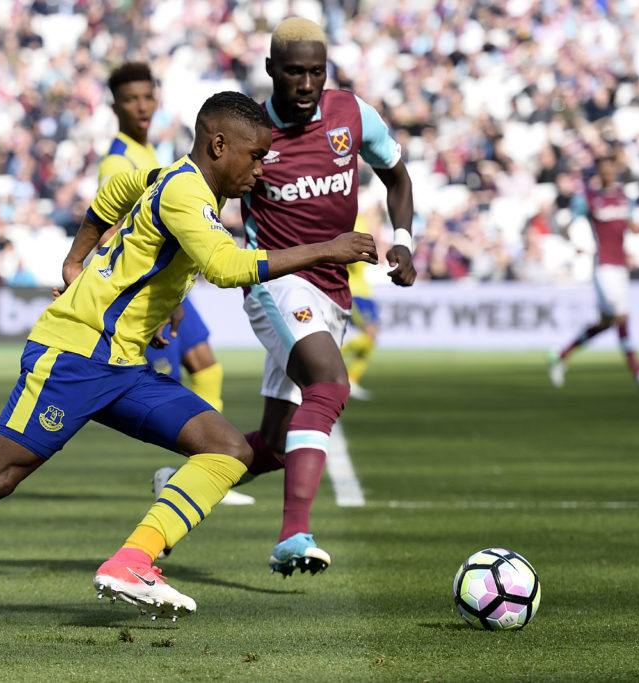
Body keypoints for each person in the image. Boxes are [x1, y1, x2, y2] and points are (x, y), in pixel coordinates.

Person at [0, 91, 379, 631]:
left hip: (122, 365)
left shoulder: (164, 179)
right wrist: (327, 249)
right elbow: (228, 267)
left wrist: (79, 262)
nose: (261, 170)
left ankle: (133, 559)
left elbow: (109, 200)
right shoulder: (185, 194)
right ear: (219, 147)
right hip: (74, 355)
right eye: (256, 156)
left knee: (227, 449)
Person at [239, 17, 416, 577]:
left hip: (333, 291)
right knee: (330, 383)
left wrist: (405, 243)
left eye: (317, 71)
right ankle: (293, 535)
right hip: (276, 282)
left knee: (270, 445)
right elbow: (194, 203)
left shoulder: (352, 115)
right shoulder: (247, 132)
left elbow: (398, 177)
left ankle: (189, 474)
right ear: (271, 71)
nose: (308, 83)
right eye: (295, 71)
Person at [98, 61, 253, 507]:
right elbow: (109, 222)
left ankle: (201, 471)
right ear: (115, 105)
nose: (141, 106)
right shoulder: (119, 158)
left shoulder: (148, 152)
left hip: (171, 283)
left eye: (147, 96)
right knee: (186, 376)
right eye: (131, 99)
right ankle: (202, 472)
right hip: (147, 283)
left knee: (206, 367)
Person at [548, 154, 639, 389]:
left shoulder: (624, 199)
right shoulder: (590, 200)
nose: (609, 173)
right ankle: (638, 373)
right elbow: (567, 225)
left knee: (605, 323)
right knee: (622, 316)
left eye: (612, 169)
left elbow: (631, 224)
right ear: (599, 174)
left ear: (616, 171)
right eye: (604, 170)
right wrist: (575, 242)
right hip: (603, 267)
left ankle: (560, 357)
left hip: (621, 267)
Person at [341, 215, 381, 401]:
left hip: (365, 290)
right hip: (353, 290)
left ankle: (351, 378)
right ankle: (326, 361)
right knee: (370, 334)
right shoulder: (348, 220)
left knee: (372, 338)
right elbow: (348, 254)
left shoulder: (362, 219)